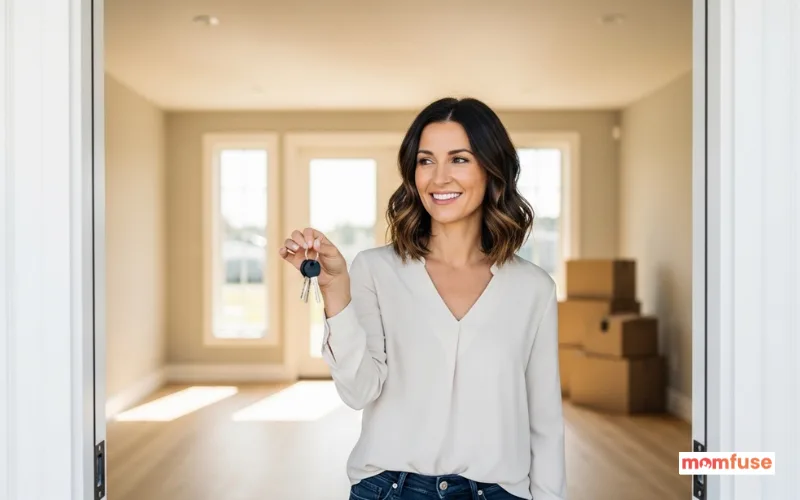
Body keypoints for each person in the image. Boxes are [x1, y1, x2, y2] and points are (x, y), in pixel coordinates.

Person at [279, 97, 566, 500]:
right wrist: (334, 289)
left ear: (491, 169)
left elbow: (546, 423)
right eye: (426, 160)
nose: (439, 177)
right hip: (389, 489)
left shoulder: (533, 288)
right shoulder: (374, 270)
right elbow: (358, 391)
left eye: (460, 159)